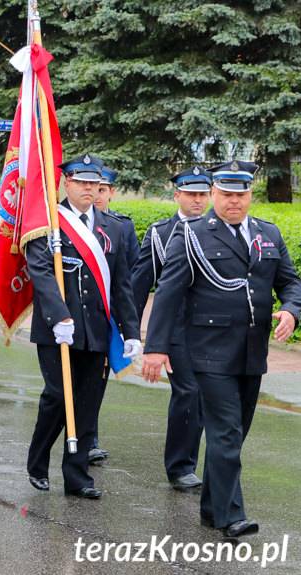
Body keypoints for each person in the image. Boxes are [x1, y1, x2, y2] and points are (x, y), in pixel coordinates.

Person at [142, 160, 301, 538]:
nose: (234, 201)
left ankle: (213, 507)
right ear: (213, 193)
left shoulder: (268, 234)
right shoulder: (193, 235)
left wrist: (292, 311)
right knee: (226, 433)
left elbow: (291, 283)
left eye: (241, 194)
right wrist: (155, 347)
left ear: (250, 195)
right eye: (227, 194)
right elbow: (167, 293)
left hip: (252, 352)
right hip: (208, 352)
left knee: (234, 433)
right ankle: (232, 515)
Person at [24, 154, 140, 499]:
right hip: (58, 329)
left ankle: (76, 476)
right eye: (81, 182)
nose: (89, 188)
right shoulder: (48, 223)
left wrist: (131, 330)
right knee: (58, 397)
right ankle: (38, 460)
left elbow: (122, 285)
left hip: (97, 330)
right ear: (67, 183)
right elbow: (41, 272)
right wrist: (59, 315)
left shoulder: (113, 227)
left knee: (88, 403)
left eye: (94, 183)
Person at [132, 166, 210, 491]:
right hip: (176, 330)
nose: (197, 199)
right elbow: (140, 285)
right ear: (177, 194)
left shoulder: (218, 230)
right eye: (190, 193)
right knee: (188, 391)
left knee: (206, 396)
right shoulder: (161, 233)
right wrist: (130, 334)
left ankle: (201, 461)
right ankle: (180, 467)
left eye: (202, 193)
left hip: (212, 330)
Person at [87, 164, 140, 464]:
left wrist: (127, 323)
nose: (97, 195)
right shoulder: (68, 224)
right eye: (93, 188)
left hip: (107, 316)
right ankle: (76, 432)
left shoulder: (121, 227)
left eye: (103, 190)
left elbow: (127, 278)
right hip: (76, 316)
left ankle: (90, 436)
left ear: (111, 193)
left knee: (98, 376)